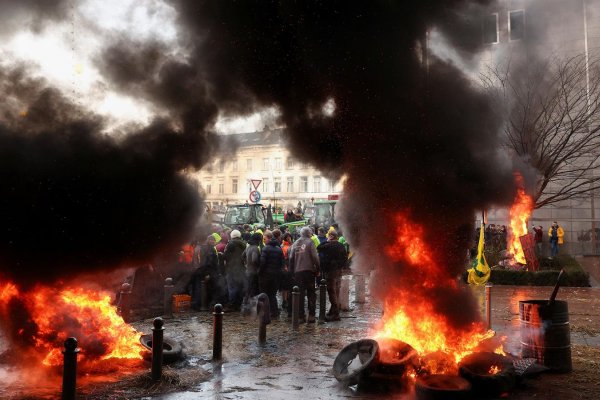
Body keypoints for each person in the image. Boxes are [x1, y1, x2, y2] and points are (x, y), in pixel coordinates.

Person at [289, 226, 320, 323]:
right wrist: (318, 269)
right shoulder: (310, 242)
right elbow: (315, 257)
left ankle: (301, 316)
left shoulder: (295, 243)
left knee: (300, 294)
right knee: (311, 293)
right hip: (309, 271)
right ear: (309, 233)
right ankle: (311, 315)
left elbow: (291, 258)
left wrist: (292, 271)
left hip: (298, 272)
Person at [317, 230, 347, 321]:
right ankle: (332, 310)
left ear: (331, 236)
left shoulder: (329, 245)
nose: (327, 237)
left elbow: (319, 247)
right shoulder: (341, 246)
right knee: (336, 291)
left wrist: (328, 240)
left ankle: (335, 313)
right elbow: (345, 258)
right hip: (339, 271)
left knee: (331, 291)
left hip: (331, 271)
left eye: (328, 236)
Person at [259, 231, 284, 317]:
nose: (263, 240)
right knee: (272, 294)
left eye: (264, 239)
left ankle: (266, 311)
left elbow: (262, 263)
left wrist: (260, 272)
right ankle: (275, 311)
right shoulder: (279, 248)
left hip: (266, 275)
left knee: (265, 293)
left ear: (269, 238)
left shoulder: (265, 248)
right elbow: (282, 263)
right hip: (276, 275)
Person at [223, 229, 247, 312]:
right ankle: (238, 305)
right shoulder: (244, 243)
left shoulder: (230, 244)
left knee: (232, 287)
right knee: (240, 287)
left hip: (232, 268)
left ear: (232, 236)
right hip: (241, 268)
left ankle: (232, 305)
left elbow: (225, 256)